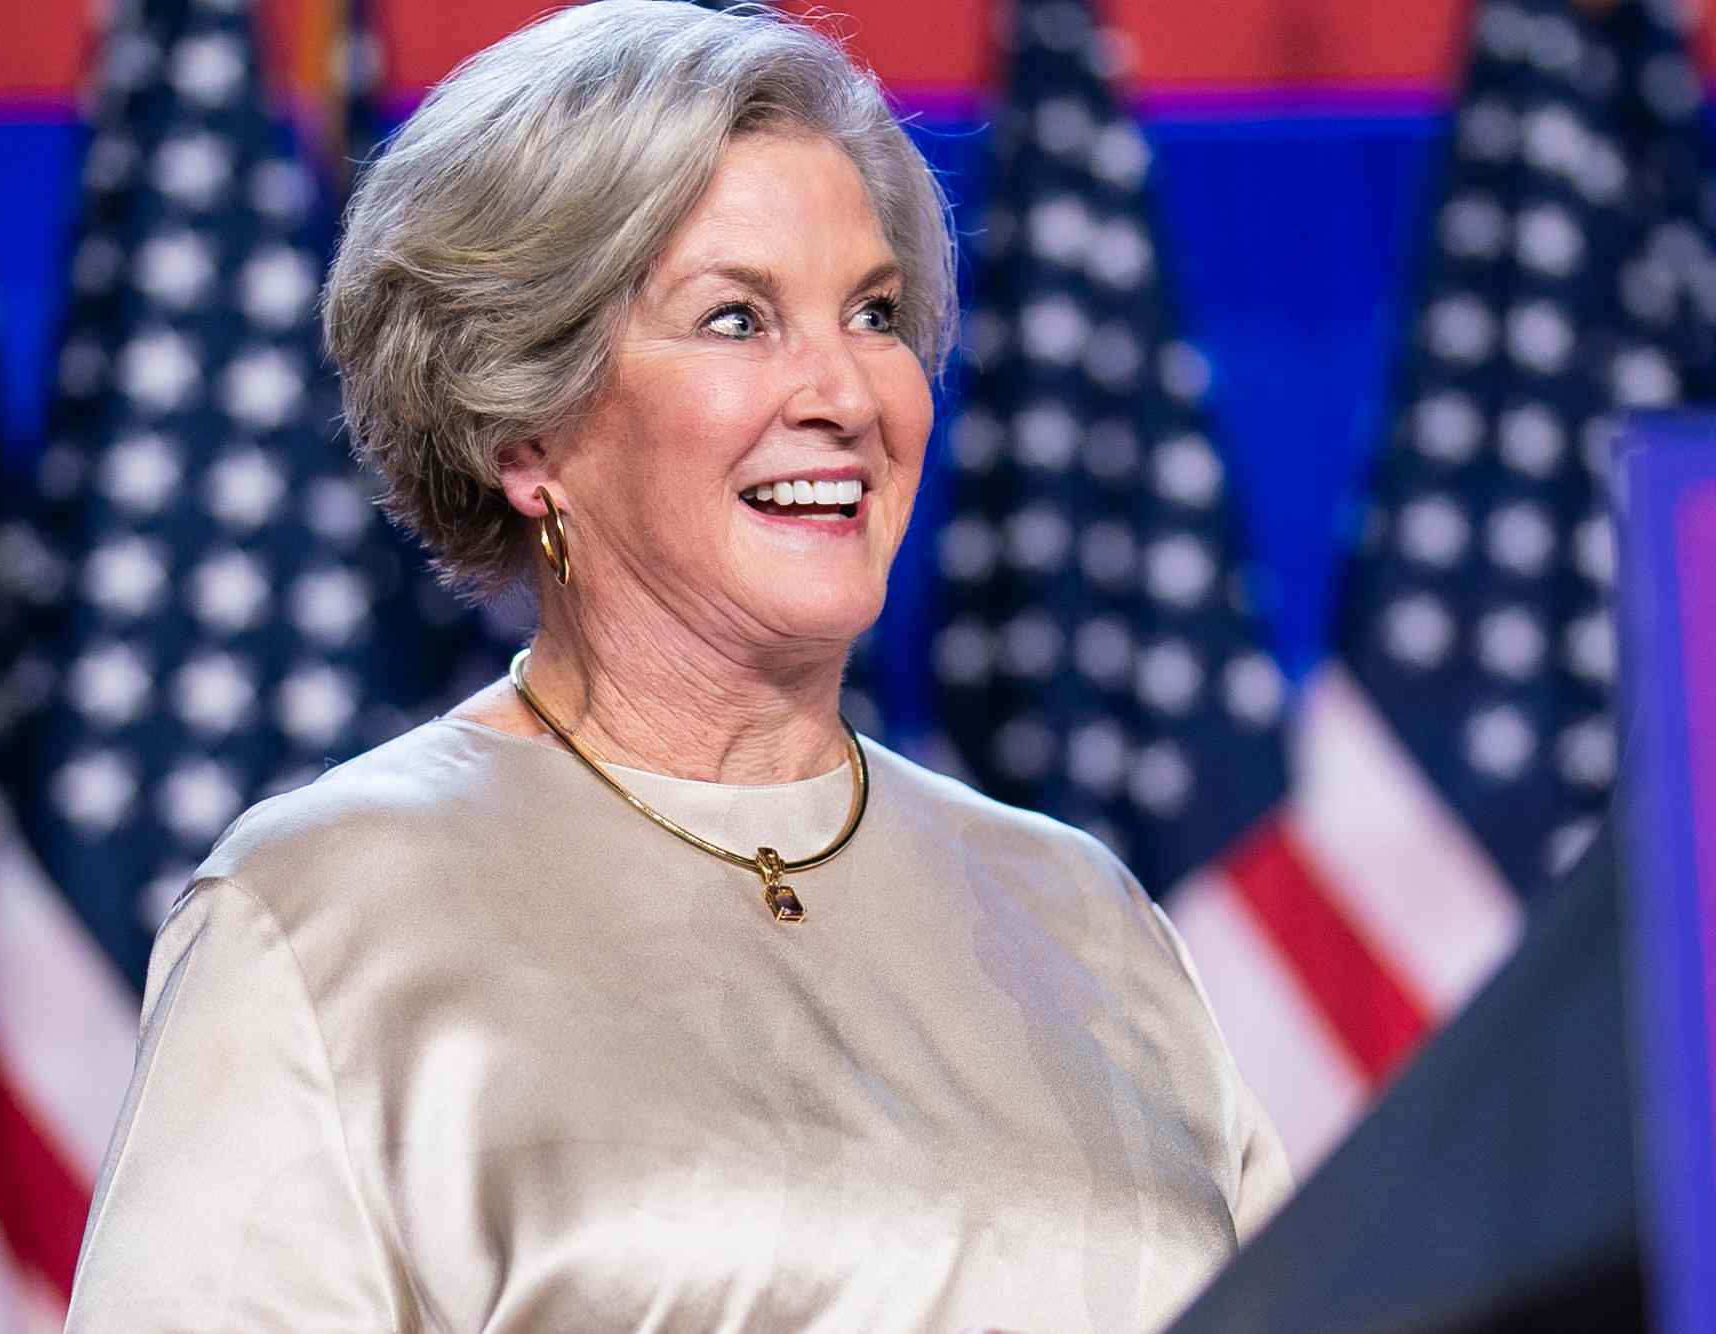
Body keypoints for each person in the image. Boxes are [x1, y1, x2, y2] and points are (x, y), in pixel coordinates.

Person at [62, 3, 1290, 1330]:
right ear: (524, 427)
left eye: (873, 311)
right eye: (736, 319)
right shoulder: (319, 913)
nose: (847, 392)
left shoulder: (1082, 914)